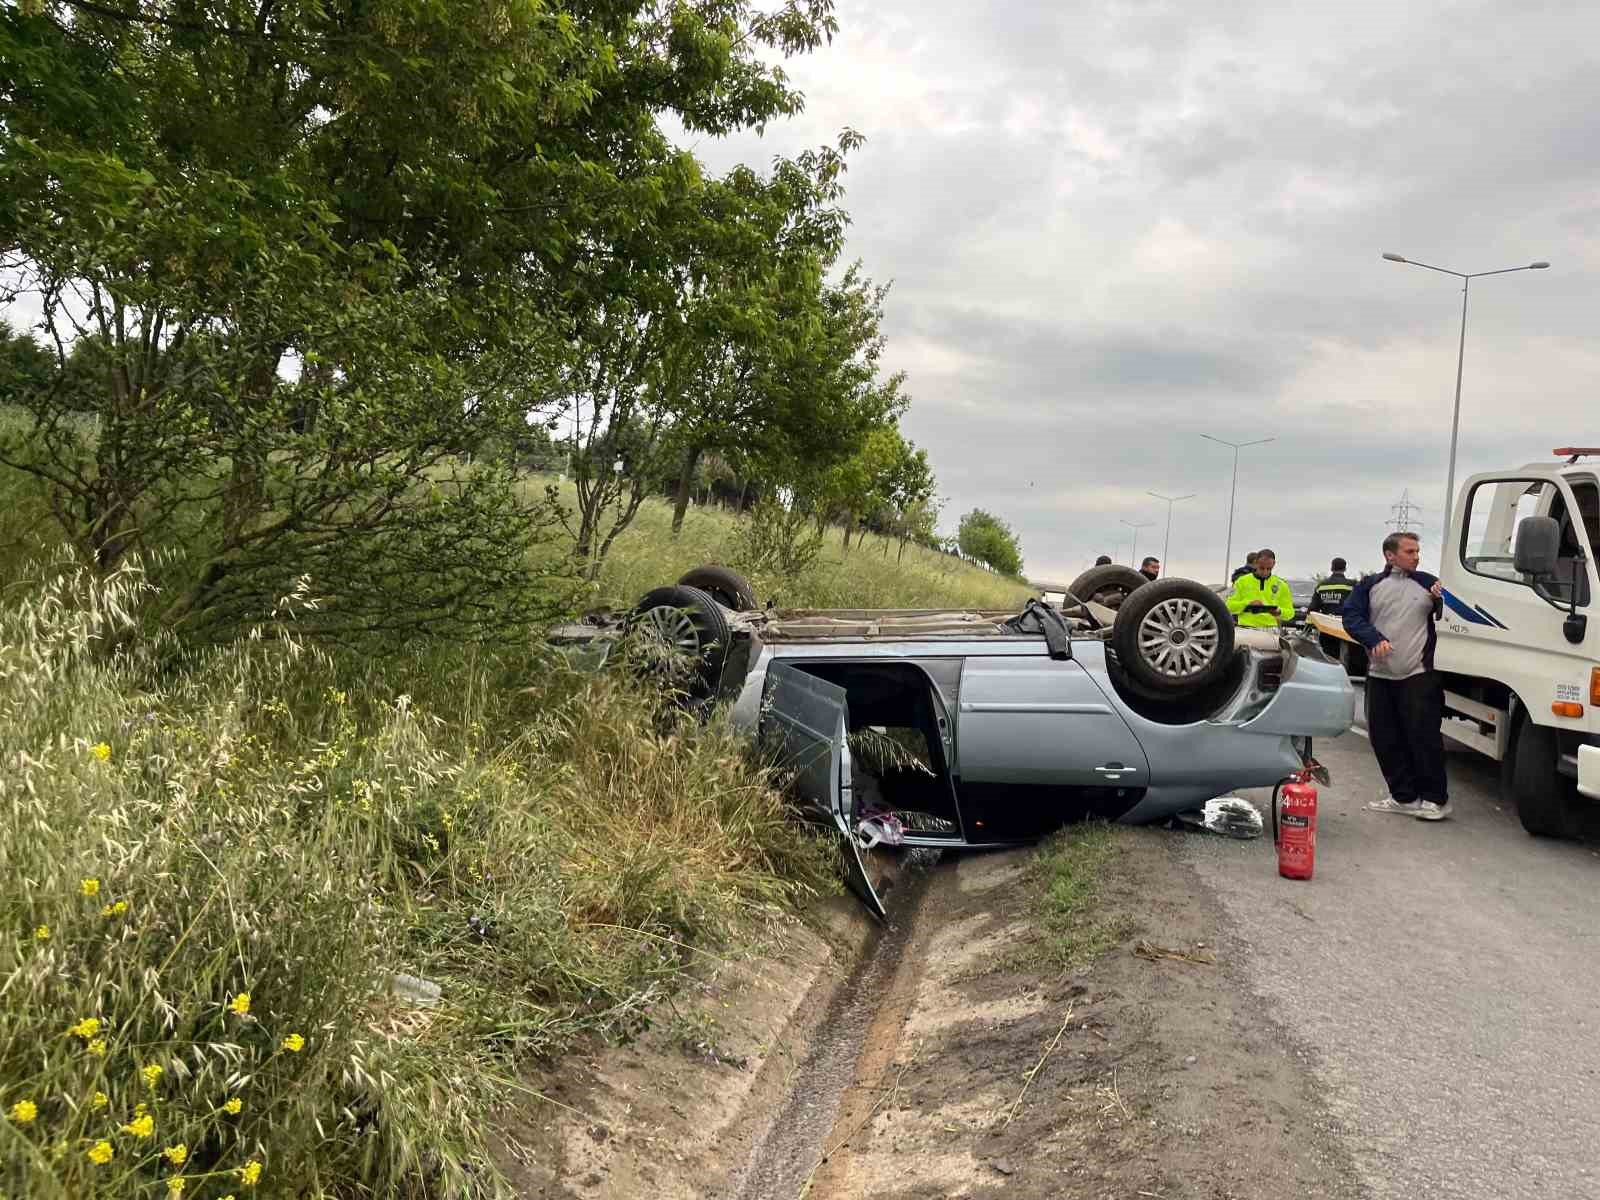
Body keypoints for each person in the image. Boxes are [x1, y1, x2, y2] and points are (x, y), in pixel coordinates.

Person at [1343, 531, 1449, 821]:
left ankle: (1435, 800)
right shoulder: (1369, 585)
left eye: (1417, 551)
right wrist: (1372, 638)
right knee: (1384, 739)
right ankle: (1404, 797)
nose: (1417, 556)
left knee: (1423, 737)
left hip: (1417, 674)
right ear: (1390, 555)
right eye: (1410, 551)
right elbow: (1352, 616)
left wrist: (1441, 599)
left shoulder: (1428, 582)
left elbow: (1450, 610)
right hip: (1380, 675)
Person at [1225, 548, 1295, 628]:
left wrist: (1279, 611)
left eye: (1269, 569)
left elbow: (1290, 613)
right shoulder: (1241, 582)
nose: (1265, 572)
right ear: (1256, 563)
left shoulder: (1281, 585)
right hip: (1246, 628)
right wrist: (1248, 603)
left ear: (1274, 564)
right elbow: (1229, 606)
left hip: (1271, 630)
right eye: (1262, 568)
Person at [1308, 557, 1357, 658]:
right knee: (1349, 659)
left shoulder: (1322, 586)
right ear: (1345, 569)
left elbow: (1312, 609)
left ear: (1331, 568)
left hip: (1327, 627)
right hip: (1347, 629)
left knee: (1329, 658)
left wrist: (1308, 627)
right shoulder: (1352, 585)